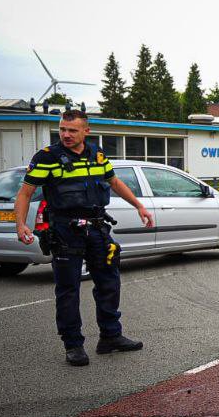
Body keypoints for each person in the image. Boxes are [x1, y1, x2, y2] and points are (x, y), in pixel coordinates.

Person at [14, 109, 154, 366]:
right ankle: (73, 345)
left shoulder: (97, 154)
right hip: (65, 230)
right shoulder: (47, 157)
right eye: (62, 130)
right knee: (68, 289)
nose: (66, 135)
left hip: (97, 228)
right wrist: (21, 223)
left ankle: (111, 336)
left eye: (72, 130)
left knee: (109, 282)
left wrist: (139, 206)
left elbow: (113, 182)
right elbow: (25, 193)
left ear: (85, 131)